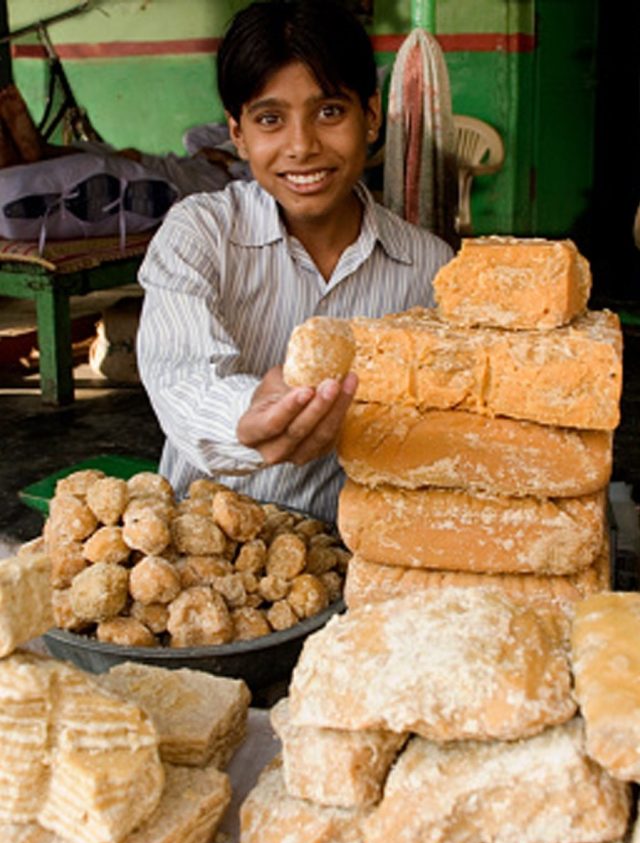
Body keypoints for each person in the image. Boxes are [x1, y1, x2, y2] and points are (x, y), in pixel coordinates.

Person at [136, 0, 453, 522]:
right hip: (202, 546)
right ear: (237, 134)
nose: (302, 146)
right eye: (270, 119)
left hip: (343, 554)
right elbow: (181, 380)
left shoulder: (426, 268)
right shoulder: (200, 234)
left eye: (329, 112)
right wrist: (249, 415)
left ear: (371, 116)